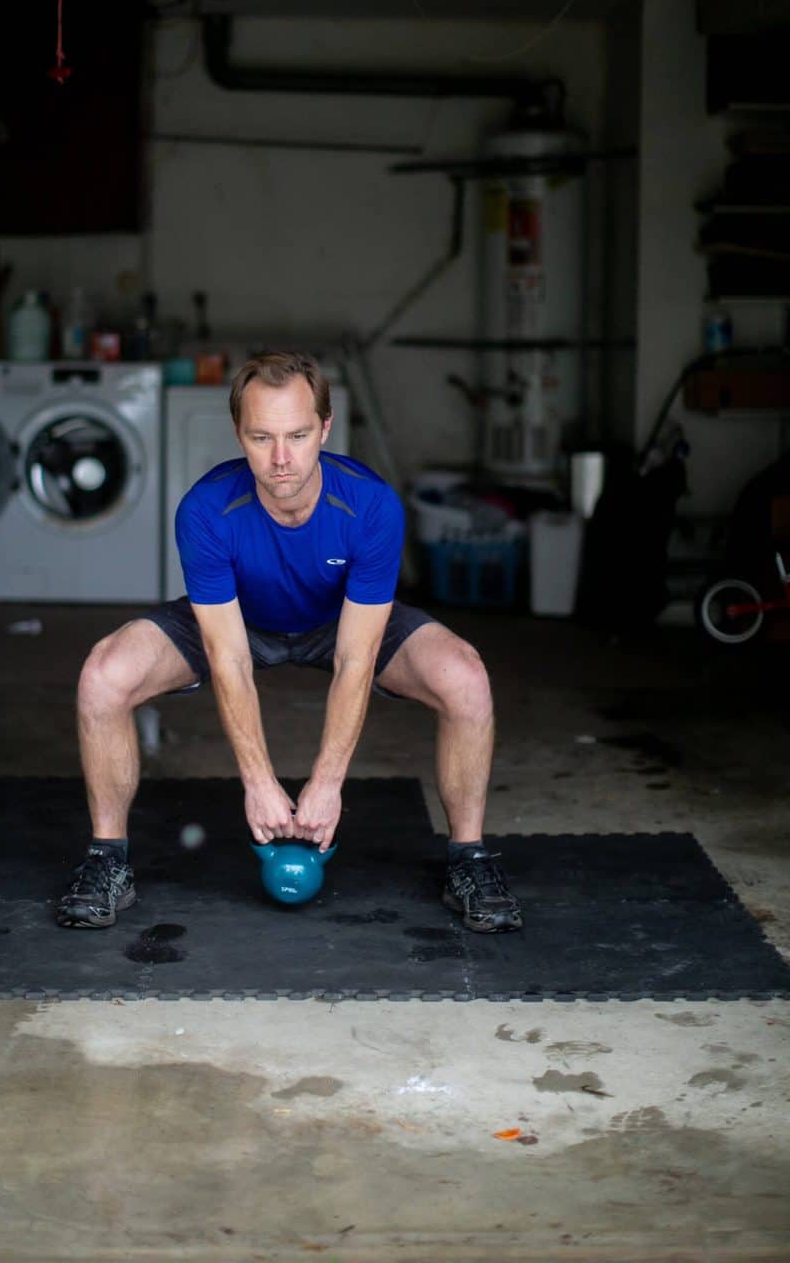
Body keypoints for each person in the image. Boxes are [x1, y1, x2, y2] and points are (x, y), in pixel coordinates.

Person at [56, 349, 522, 934]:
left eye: (298, 435)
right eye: (261, 437)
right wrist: (259, 783)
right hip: (238, 621)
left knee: (466, 677)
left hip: (340, 621)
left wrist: (326, 784)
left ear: (325, 427)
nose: (281, 459)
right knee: (104, 674)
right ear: (238, 434)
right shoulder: (207, 510)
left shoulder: (370, 505)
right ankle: (107, 860)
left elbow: (357, 657)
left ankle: (470, 861)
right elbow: (228, 656)